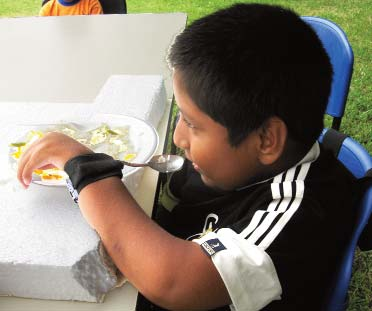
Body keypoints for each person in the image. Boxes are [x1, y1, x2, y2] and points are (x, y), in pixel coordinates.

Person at [18, 3, 356, 310]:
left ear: (267, 140)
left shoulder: (296, 214)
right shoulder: (234, 167)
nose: (178, 137)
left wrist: (84, 168)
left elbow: (173, 280)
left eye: (193, 125)